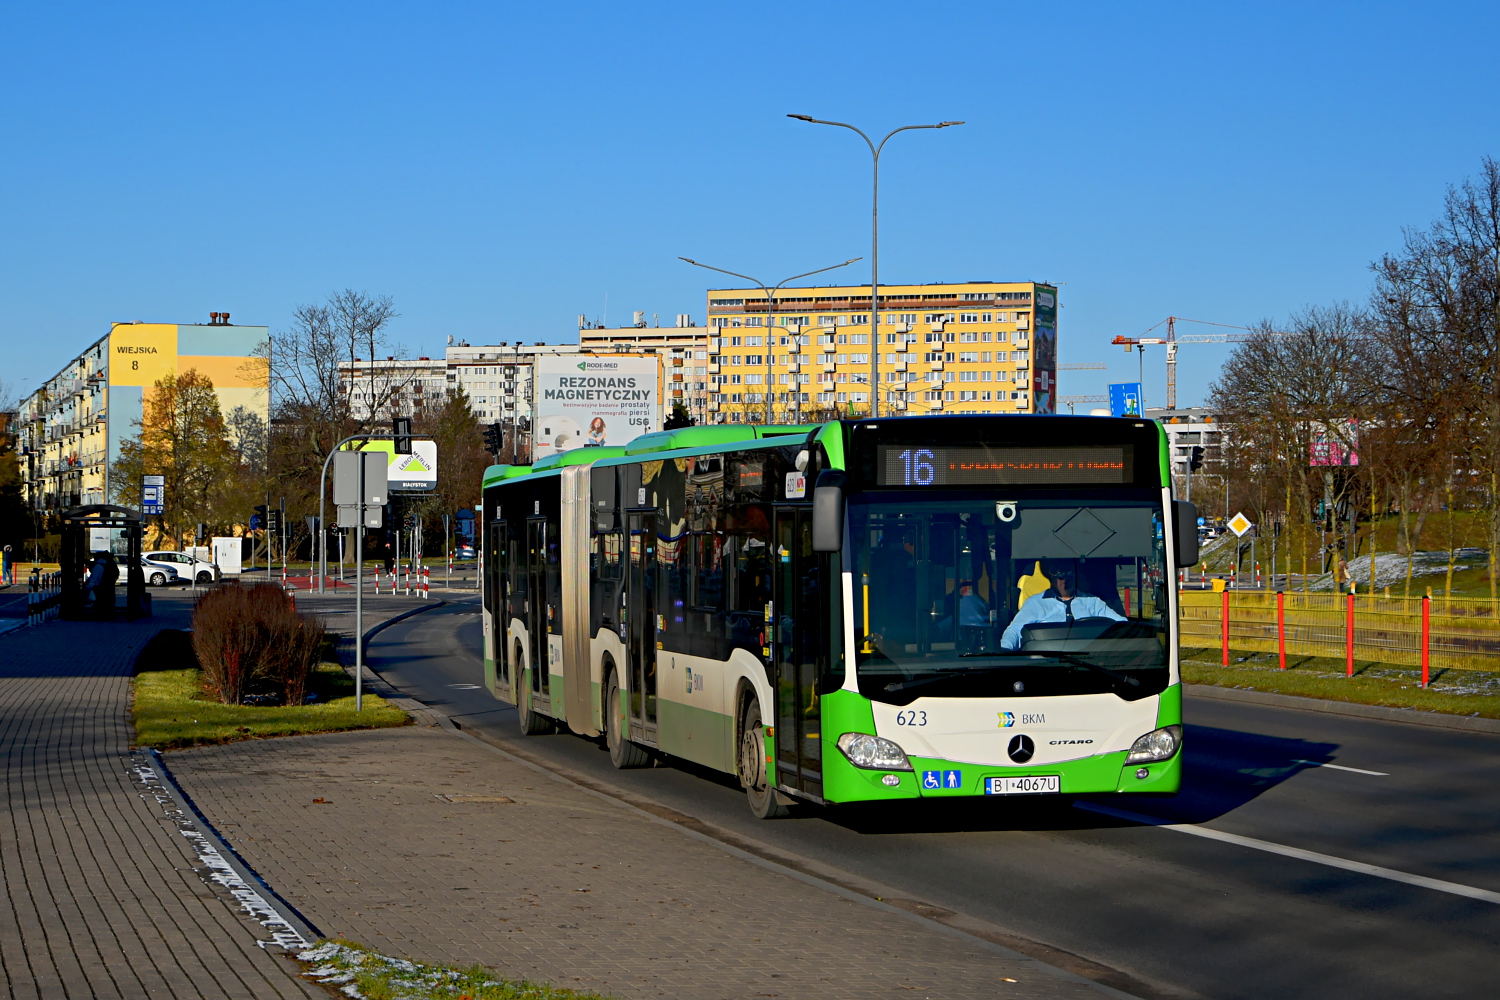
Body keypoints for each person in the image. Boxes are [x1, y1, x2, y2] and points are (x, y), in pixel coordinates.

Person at [1001, 559, 1124, 650]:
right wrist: (1005, 651)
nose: (1064, 578)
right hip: (1047, 666)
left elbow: (1122, 625)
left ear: (1075, 574)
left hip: (1088, 665)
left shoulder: (1092, 602)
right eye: (1058, 573)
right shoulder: (1036, 603)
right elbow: (1015, 630)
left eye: (1069, 572)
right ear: (1049, 574)